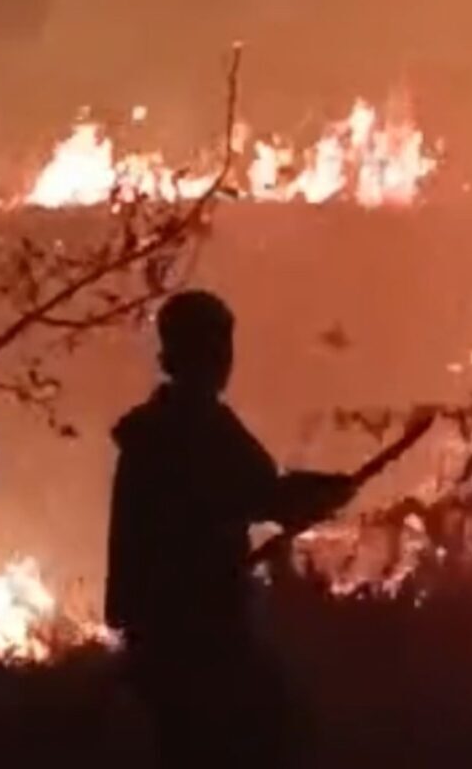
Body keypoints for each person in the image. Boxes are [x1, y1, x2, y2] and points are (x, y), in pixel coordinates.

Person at [107, 290, 332, 767]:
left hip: (158, 624)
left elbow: (255, 493)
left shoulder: (150, 431)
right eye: (219, 347)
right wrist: (314, 498)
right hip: (203, 623)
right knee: (262, 731)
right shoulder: (200, 428)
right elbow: (260, 495)